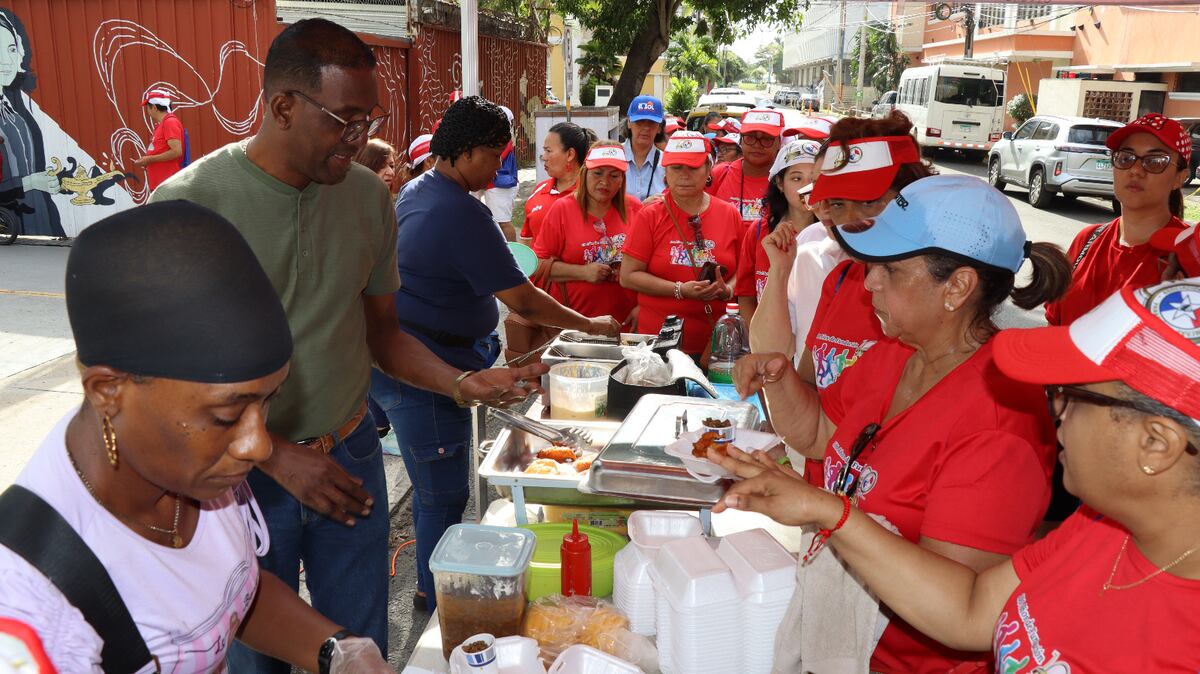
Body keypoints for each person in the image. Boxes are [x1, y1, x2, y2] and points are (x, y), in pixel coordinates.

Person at [150, 20, 543, 672]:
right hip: (236, 481)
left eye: (371, 119)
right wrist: (277, 456)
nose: (361, 139)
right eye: (345, 120)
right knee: (258, 658)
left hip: (350, 459)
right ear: (283, 107)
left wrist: (459, 382)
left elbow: (382, 334)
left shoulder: (365, 199)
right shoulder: (189, 205)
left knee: (361, 649)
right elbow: (159, 389)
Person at [712, 275, 1200, 671]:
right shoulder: (1099, 530)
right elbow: (968, 609)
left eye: (1074, 395)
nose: (1057, 412)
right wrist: (823, 507)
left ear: (1156, 444)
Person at [0, 201, 389, 672]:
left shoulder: (193, 463)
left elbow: (231, 587)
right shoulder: (32, 611)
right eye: (228, 416)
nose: (259, 445)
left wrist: (334, 649)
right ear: (108, 391)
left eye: (267, 401)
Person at [726, 175, 1071, 673]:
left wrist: (829, 512)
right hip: (843, 645)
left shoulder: (1000, 420)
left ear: (957, 286)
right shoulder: (894, 352)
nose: (868, 282)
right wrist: (778, 381)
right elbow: (823, 436)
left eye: (889, 269)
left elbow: (960, 606)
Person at [376, 96, 621, 613]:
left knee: (435, 489)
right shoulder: (456, 209)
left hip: (424, 359)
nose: (499, 168)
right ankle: (436, 593)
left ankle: (432, 580)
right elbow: (524, 298)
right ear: (465, 152)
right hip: (426, 370)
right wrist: (588, 324)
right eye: (494, 156)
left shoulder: (423, 188)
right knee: (442, 492)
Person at [755, 114, 934, 429]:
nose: (829, 212)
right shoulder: (839, 277)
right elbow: (809, 403)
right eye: (828, 198)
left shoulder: (933, 293)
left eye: (864, 200)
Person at [1045, 113, 1192, 327]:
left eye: (1155, 161)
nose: (1135, 170)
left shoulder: (1189, 256)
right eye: (1125, 157)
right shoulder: (1087, 241)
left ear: (1180, 177)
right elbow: (1053, 328)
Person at [621, 130, 742, 359]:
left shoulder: (729, 214)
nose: (684, 175)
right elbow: (628, 275)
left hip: (715, 344)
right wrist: (679, 290)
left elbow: (743, 271)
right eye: (676, 168)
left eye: (693, 167)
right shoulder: (650, 215)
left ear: (708, 169)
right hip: (659, 345)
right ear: (665, 171)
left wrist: (728, 290)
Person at [532, 142, 642, 327]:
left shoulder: (635, 208)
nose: (605, 182)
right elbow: (538, 265)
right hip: (574, 323)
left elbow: (651, 265)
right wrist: (583, 272)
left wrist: (642, 307)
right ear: (584, 173)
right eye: (597, 173)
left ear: (622, 179)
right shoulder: (562, 209)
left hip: (626, 322)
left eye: (614, 175)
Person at [734, 138, 820, 324]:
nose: (807, 187)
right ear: (780, 183)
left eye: (815, 178)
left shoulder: (835, 235)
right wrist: (759, 344)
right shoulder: (758, 231)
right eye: (796, 178)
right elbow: (746, 296)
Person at [0, 9, 62, 237]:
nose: (5, 60)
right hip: (14, 218)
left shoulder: (15, 114)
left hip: (36, 218)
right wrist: (30, 182)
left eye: (11, 49)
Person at [708, 108, 784, 230]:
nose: (757, 145)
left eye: (766, 139)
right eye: (750, 137)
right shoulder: (719, 174)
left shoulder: (786, 181)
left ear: (779, 143)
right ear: (741, 140)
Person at [521, 122, 593, 245]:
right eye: (544, 151)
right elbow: (527, 242)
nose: (543, 157)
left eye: (548, 151)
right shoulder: (539, 189)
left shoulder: (592, 194)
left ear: (570, 154)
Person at [131, 88, 186, 191]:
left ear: (155, 107)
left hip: (168, 185)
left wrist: (149, 159)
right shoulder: (163, 124)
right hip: (162, 185)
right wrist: (148, 161)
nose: (147, 111)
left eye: (148, 107)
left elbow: (177, 151)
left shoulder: (170, 123)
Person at [483, 105, 520, 241]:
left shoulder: (503, 140)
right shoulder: (499, 138)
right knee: (498, 223)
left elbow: (492, 159)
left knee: (503, 223)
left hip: (500, 185)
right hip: (496, 185)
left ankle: (513, 255)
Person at [623, 95, 666, 201]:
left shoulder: (667, 164)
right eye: (640, 122)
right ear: (629, 123)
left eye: (652, 123)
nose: (646, 128)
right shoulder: (613, 156)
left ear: (659, 128)